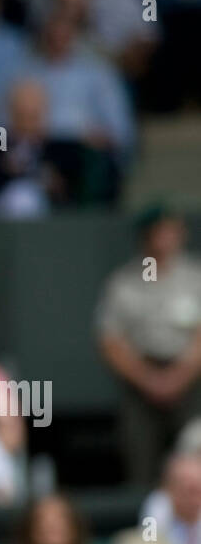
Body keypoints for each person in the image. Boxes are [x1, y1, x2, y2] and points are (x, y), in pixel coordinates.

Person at [97, 205, 201, 485]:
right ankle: (147, 526)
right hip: (141, 382)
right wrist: (149, 380)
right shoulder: (124, 283)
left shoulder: (195, 278)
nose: (167, 238)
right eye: (160, 231)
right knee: (140, 461)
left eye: (173, 231)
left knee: (194, 452)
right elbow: (111, 341)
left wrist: (178, 377)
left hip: (190, 381)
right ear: (146, 235)